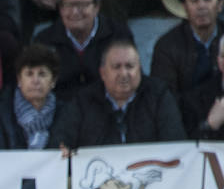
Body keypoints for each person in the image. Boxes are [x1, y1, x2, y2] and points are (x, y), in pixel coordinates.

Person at [48, 39, 185, 149]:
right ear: (103, 73)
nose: (124, 74)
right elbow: (60, 143)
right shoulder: (83, 101)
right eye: (116, 67)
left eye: (130, 66)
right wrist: (63, 150)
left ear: (140, 70)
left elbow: (175, 145)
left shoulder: (158, 95)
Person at [32, 0, 133, 100]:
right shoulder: (44, 41)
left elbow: (131, 82)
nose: (75, 12)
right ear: (60, 8)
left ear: (96, 7)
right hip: (62, 112)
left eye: (82, 5)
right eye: (68, 5)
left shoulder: (118, 35)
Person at [0, 43, 64, 149]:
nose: (35, 81)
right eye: (29, 74)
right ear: (19, 80)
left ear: (53, 81)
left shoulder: (65, 112)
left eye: (42, 74)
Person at [150, 0, 224, 97]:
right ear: (184, 6)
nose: (201, 6)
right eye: (194, 0)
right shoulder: (166, 46)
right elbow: (163, 97)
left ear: (220, 4)